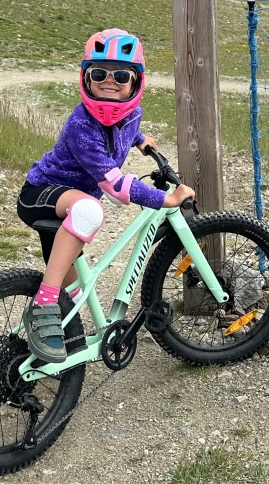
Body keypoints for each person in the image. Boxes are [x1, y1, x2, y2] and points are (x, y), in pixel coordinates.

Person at [16, 28, 195, 363]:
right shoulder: (81, 124)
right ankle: (43, 306)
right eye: (99, 73)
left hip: (72, 200)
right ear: (86, 77)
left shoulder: (131, 112)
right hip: (41, 193)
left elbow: (127, 123)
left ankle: (53, 344)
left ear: (135, 82)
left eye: (121, 76)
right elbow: (114, 184)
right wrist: (166, 199)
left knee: (77, 296)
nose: (109, 81)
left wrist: (142, 141)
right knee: (90, 211)